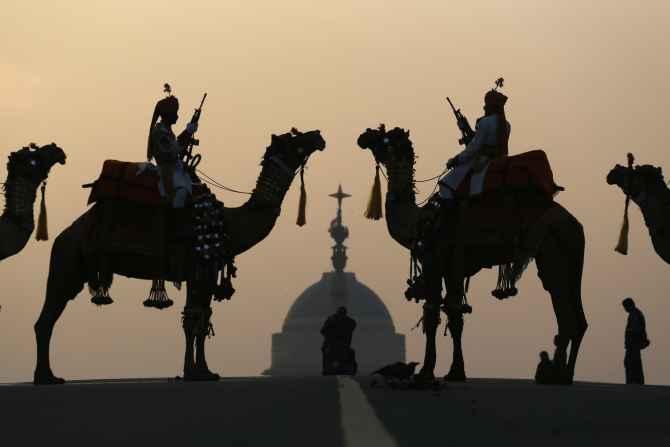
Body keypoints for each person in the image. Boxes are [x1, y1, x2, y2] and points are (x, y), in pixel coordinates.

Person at [439, 88, 511, 202]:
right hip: (500, 160)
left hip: (482, 161)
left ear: (491, 106)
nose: (484, 108)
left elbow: (474, 148)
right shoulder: (507, 125)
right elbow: (486, 142)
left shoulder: (485, 122)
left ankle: (451, 217)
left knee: (445, 185)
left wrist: (456, 159)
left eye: (486, 105)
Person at [147, 84, 197, 208]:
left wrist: (187, 134)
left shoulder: (167, 131)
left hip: (174, 168)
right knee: (181, 192)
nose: (177, 116)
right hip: (166, 171)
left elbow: (176, 148)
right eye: (175, 113)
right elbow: (171, 152)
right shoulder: (159, 132)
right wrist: (187, 132)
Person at [320, 306, 357, 375]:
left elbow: (353, 325)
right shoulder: (331, 320)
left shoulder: (348, 321)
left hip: (343, 345)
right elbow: (323, 331)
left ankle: (349, 368)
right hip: (332, 344)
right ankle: (326, 369)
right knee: (326, 352)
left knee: (351, 353)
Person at [622, 297, 650, 384]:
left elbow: (634, 331)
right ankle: (636, 383)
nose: (624, 309)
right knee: (634, 364)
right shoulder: (636, 314)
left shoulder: (634, 315)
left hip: (633, 345)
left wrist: (630, 343)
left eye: (625, 306)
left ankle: (633, 384)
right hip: (634, 345)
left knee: (631, 364)